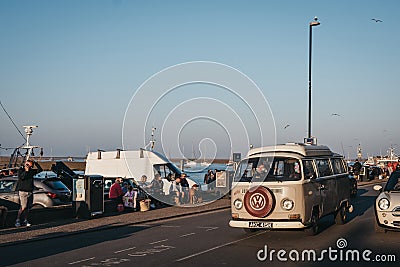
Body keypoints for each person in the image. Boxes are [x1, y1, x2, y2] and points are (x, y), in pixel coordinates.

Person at [15, 159, 43, 227]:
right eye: (28, 165)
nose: (29, 167)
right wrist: (26, 171)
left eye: (30, 166)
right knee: (23, 207)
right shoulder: (21, 171)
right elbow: (22, 177)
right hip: (23, 191)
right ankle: (18, 220)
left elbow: (40, 170)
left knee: (28, 207)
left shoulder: (31, 171)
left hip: (30, 191)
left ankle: (25, 220)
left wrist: (36, 163)